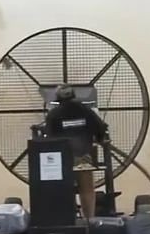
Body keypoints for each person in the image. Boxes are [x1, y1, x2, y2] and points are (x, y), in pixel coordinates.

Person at [44, 85, 108, 220]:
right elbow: (100, 128)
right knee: (86, 189)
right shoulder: (86, 110)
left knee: (65, 188)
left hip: (62, 158)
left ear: (58, 98)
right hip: (84, 156)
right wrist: (101, 139)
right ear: (73, 95)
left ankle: (68, 220)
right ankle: (89, 220)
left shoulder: (53, 114)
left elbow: (49, 137)